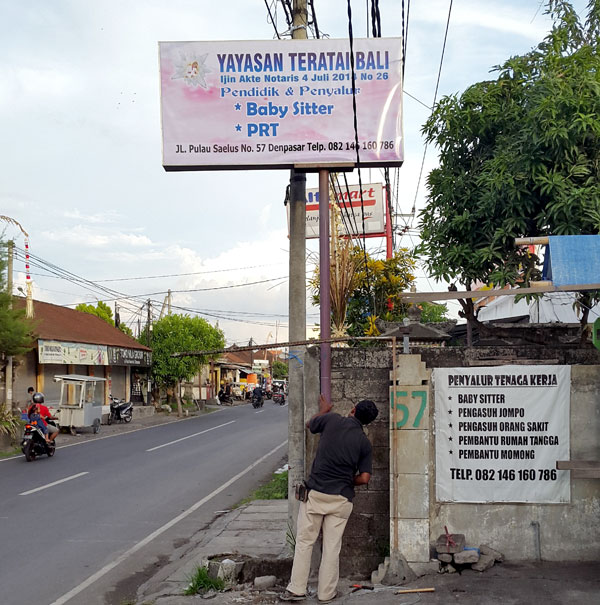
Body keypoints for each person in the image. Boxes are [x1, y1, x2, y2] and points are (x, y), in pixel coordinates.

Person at [281, 395, 379, 603]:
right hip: (341, 499)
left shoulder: (332, 420)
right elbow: (364, 477)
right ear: (367, 422)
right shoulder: (364, 444)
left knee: (305, 542)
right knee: (332, 548)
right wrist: (345, 480)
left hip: (315, 494)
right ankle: (326, 594)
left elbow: (310, 424)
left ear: (352, 410)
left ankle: (297, 589)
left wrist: (325, 409)